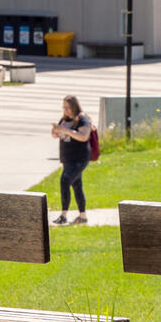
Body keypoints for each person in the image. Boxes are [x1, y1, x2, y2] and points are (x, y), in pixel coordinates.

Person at [50, 95, 95, 225]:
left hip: (79, 158)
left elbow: (83, 136)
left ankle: (63, 215)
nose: (66, 110)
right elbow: (58, 134)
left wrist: (66, 130)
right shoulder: (64, 119)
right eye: (64, 107)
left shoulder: (82, 119)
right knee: (77, 185)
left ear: (74, 106)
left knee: (65, 181)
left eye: (68, 107)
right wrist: (55, 132)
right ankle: (83, 216)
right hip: (67, 158)